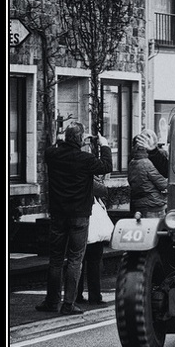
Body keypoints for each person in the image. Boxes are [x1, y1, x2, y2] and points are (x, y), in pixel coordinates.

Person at [36, 122, 112, 315]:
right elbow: (106, 166)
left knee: (55, 259)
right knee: (75, 259)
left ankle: (51, 301)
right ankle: (68, 304)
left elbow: (51, 147)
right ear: (80, 140)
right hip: (79, 215)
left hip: (58, 214)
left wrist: (65, 138)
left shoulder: (53, 155)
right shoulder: (85, 159)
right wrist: (103, 145)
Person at [76, 175, 109, 305]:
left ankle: (74, 296)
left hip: (73, 220)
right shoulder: (85, 174)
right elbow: (102, 190)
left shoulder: (63, 174)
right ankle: (95, 296)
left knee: (76, 261)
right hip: (91, 222)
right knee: (94, 262)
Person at [129, 131, 169, 218]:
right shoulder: (146, 163)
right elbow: (163, 184)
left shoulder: (133, 161)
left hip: (139, 203)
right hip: (153, 204)